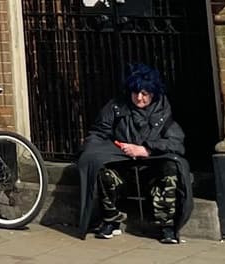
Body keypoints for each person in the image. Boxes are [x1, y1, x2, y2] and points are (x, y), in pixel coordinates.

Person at [76, 64, 192, 244]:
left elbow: (176, 143)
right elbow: (98, 134)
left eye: (145, 94)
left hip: (152, 171)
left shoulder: (163, 113)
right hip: (122, 168)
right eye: (135, 92)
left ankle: (166, 225)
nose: (139, 98)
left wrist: (147, 149)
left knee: (171, 168)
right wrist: (105, 150)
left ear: (153, 94)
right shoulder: (116, 107)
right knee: (101, 169)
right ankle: (111, 220)